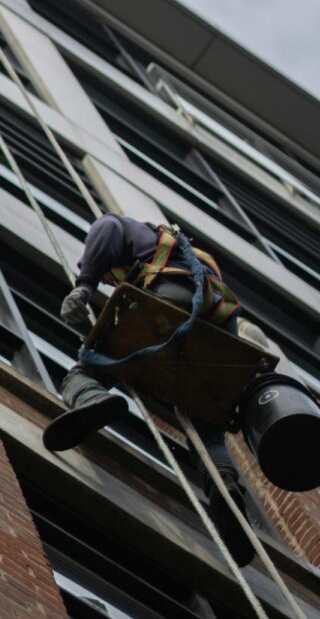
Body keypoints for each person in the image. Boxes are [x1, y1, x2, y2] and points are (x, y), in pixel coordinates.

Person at [42, 213, 256, 566]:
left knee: (83, 372)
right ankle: (226, 490)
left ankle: (95, 399)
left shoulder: (121, 229)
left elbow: (106, 230)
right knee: (206, 428)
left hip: (168, 301)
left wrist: (85, 285)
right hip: (216, 337)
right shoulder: (185, 253)